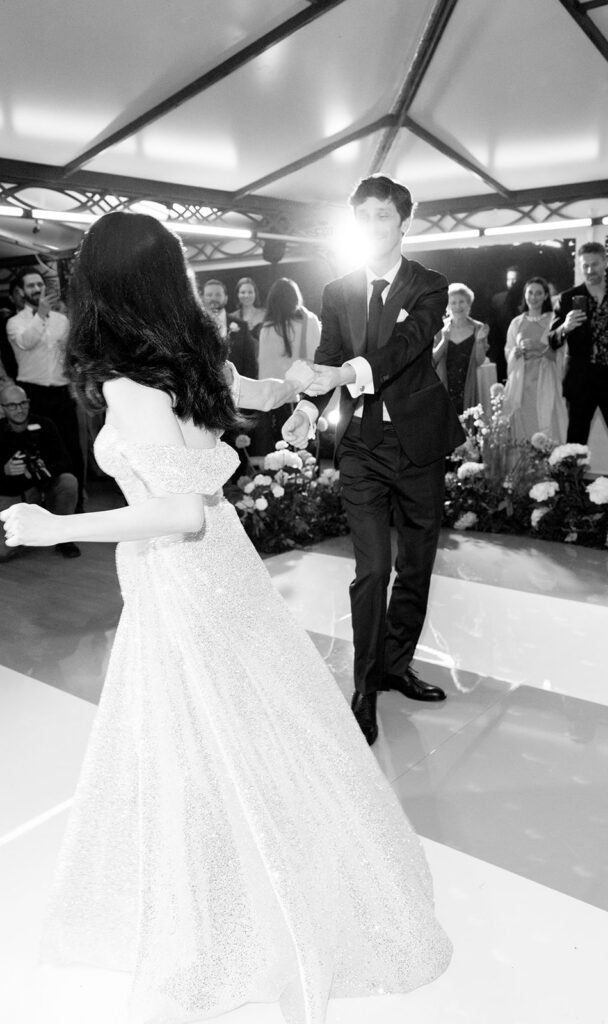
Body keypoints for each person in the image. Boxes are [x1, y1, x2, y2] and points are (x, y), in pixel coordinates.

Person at [1, 211, 451, 1024]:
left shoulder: (132, 385)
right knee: (247, 726)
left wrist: (55, 526)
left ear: (102, 287)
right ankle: (262, 875)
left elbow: (179, 514)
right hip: (222, 573)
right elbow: (264, 392)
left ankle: (229, 909)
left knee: (203, 736)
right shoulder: (195, 355)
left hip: (183, 579)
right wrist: (317, 381)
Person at [283, 174, 463, 747]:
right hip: (361, 447)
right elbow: (327, 359)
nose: (373, 226)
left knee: (416, 563)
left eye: (384, 216)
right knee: (372, 570)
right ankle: (364, 688)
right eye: (363, 217)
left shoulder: (429, 286)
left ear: (405, 222)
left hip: (418, 445)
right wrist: (309, 412)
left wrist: (347, 375)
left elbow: (408, 349)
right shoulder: (337, 292)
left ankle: (395, 664)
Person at [548, 241, 608, 478]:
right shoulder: (568, 297)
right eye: (585, 266)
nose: (590, 270)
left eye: (594, 265)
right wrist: (566, 327)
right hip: (581, 381)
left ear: (606, 263)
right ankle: (570, 498)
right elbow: (552, 340)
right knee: (575, 445)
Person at [5, 267, 85, 508]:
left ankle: (76, 502)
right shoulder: (14, 322)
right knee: (36, 449)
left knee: (71, 447)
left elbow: (71, 354)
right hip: (33, 394)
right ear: (21, 291)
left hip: (61, 393)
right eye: (31, 285)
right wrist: (40, 316)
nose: (37, 289)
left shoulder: (62, 320)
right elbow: (25, 342)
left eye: (40, 284)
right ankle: (41, 507)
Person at [0, 383, 80, 560]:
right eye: (12, 405)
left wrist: (43, 468)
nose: (19, 409)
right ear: (2, 408)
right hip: (10, 493)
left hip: (41, 488)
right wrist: (5, 470)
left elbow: (65, 461)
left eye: (23, 403)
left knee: (68, 482)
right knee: (3, 552)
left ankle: (63, 537)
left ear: (29, 403)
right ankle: (27, 529)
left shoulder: (45, 425)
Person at [254, 277, 320, 455]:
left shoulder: (267, 328)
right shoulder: (308, 320)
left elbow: (263, 366)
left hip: (274, 398)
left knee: (279, 451)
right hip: (303, 395)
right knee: (304, 449)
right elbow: (319, 356)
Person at [503, 276, 567, 443]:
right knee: (522, 423)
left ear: (546, 296)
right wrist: (514, 354)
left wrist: (540, 347)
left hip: (545, 380)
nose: (534, 297)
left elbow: (560, 355)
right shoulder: (516, 323)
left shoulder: (554, 320)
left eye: (539, 293)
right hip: (521, 383)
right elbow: (508, 350)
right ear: (525, 295)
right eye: (530, 293)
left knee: (545, 421)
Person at [433, 282, 490, 415]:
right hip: (444, 386)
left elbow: (480, 361)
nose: (457, 306)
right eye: (453, 302)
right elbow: (433, 360)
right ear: (448, 306)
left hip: (470, 386)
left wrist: (479, 341)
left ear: (469, 304)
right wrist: (444, 340)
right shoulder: (439, 328)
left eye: (461, 302)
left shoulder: (478, 328)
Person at [201, 277, 257, 378]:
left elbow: (250, 364)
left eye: (218, 294)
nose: (213, 298)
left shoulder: (242, 326)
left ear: (226, 298)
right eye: (209, 295)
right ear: (203, 298)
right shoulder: (194, 326)